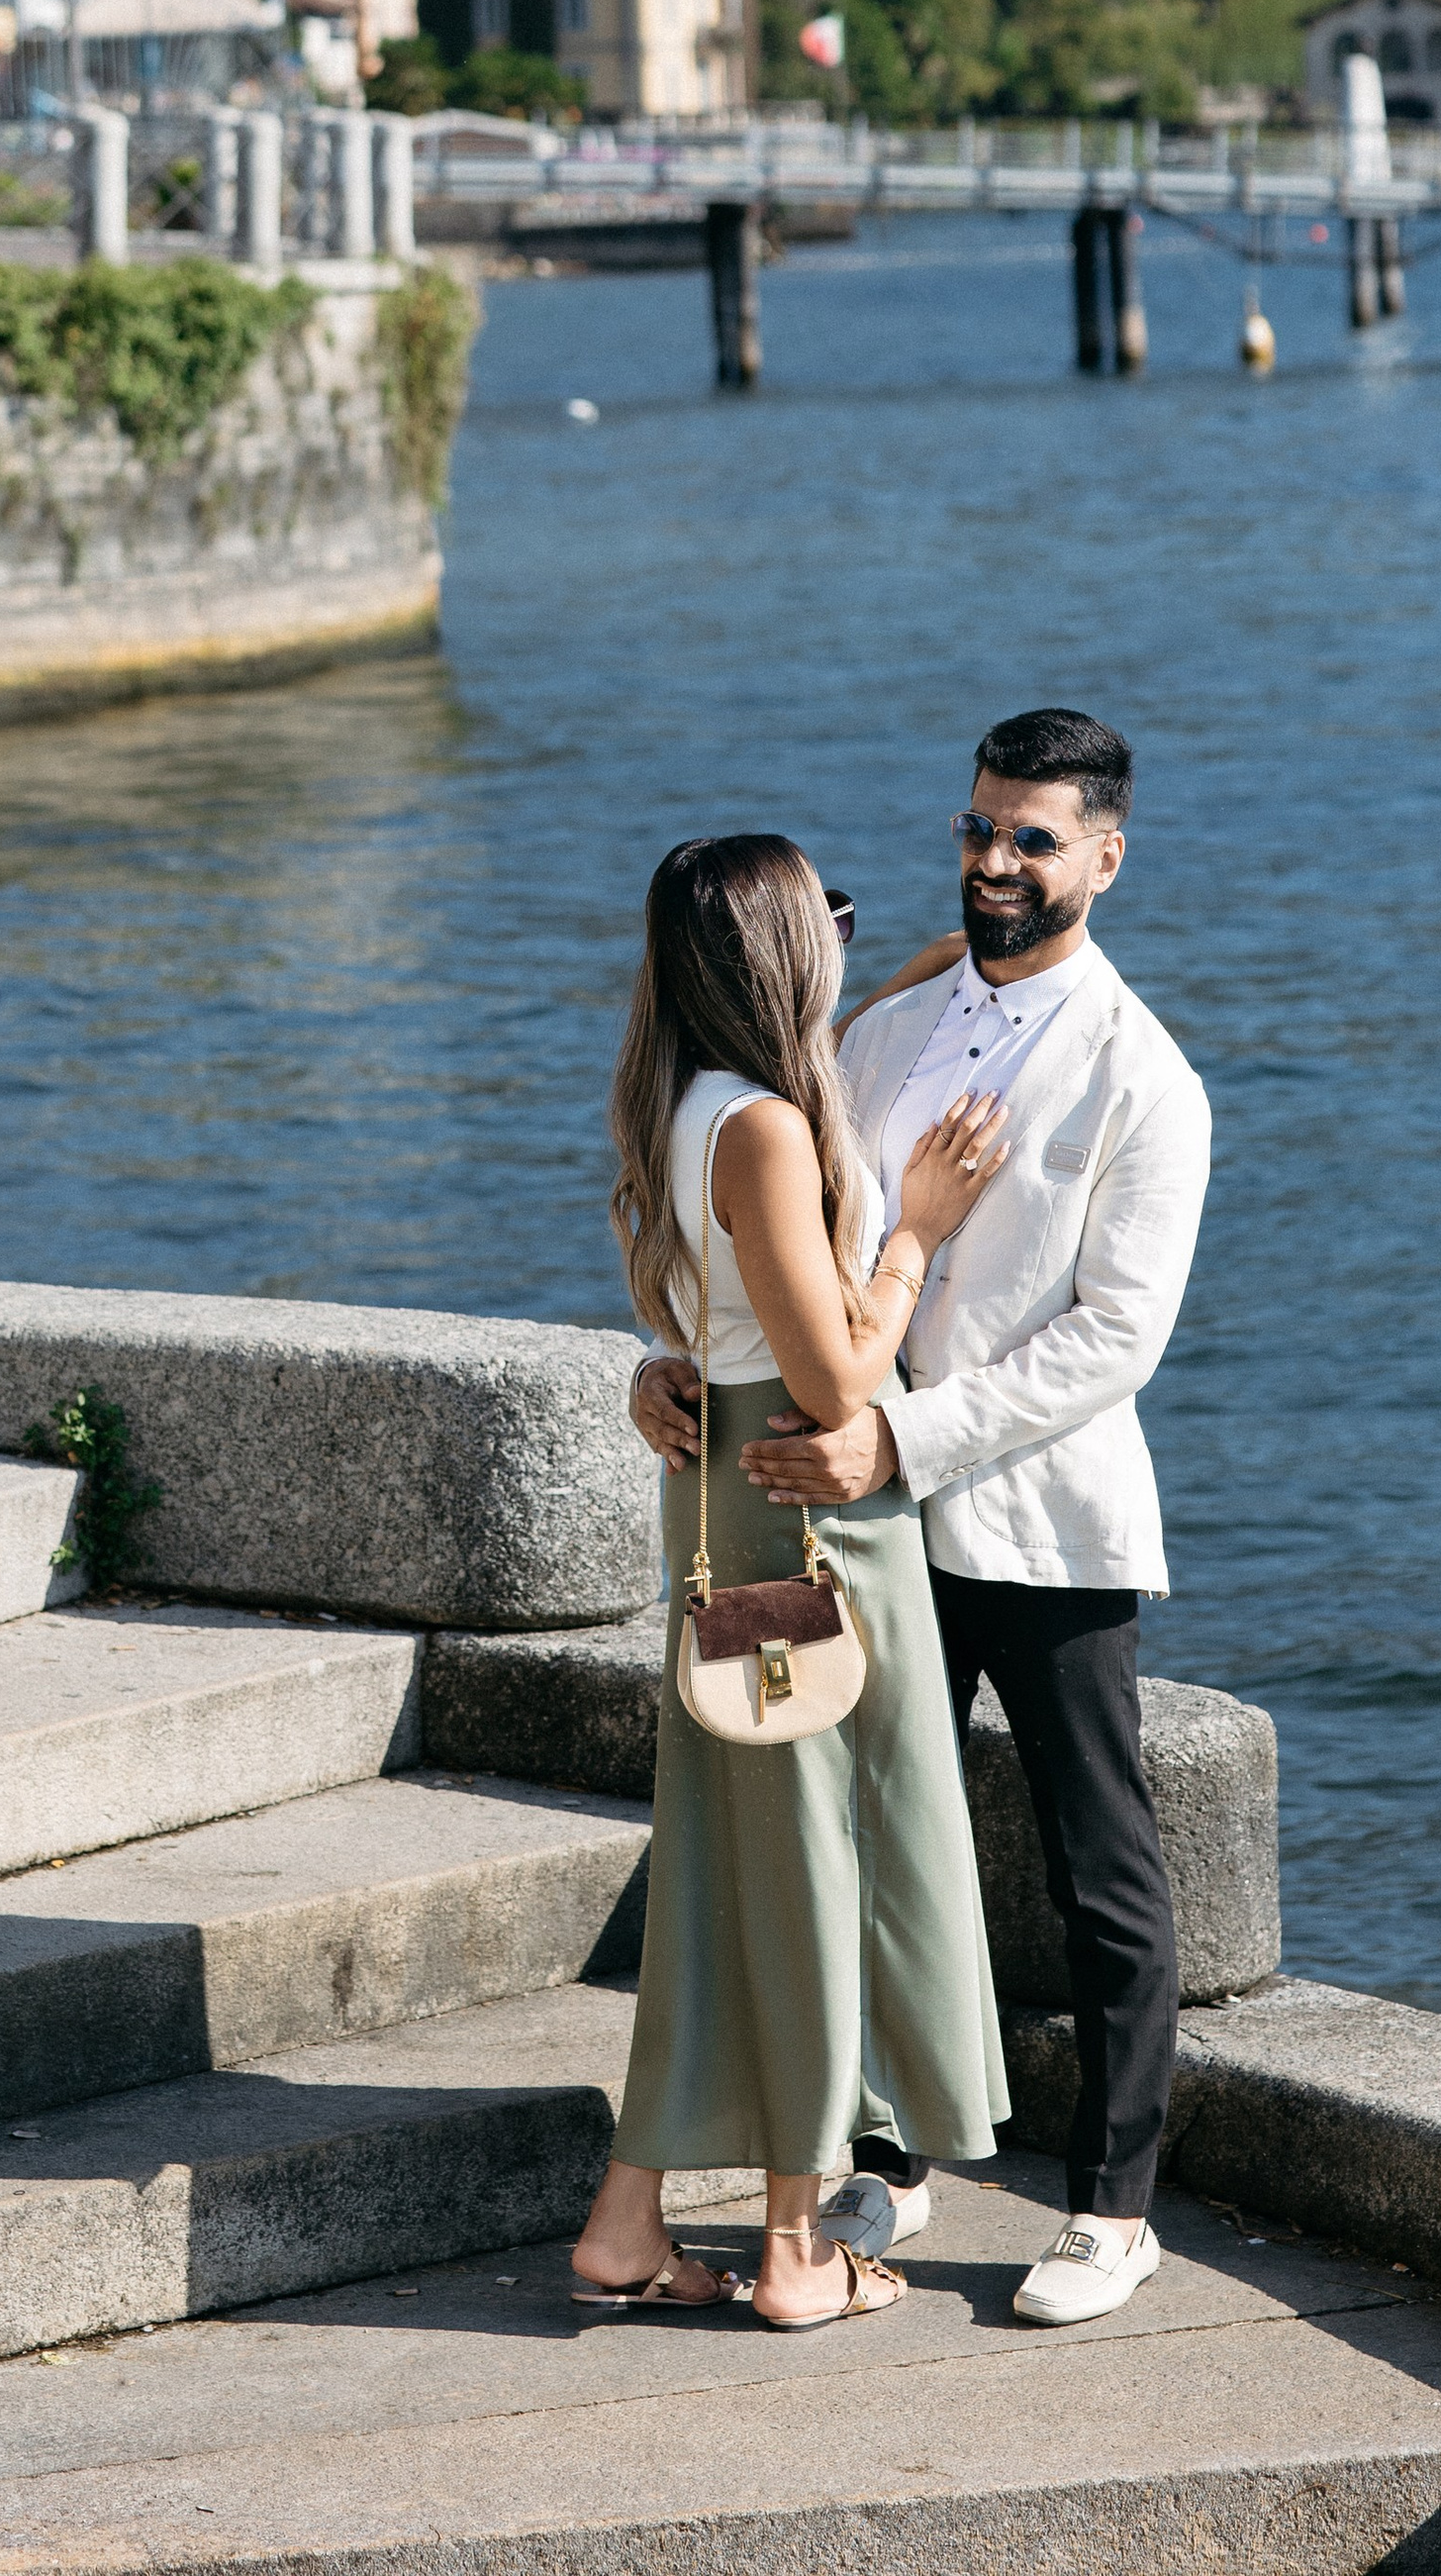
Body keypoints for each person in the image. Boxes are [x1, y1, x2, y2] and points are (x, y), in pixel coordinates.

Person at [631, 710, 1210, 2329]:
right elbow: (773, 1252)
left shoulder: (1144, 1079)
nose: (996, 861)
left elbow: (1116, 1337)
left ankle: (1111, 2207)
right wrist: (670, 1364)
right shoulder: (867, 1041)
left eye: (1034, 837)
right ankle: (883, 2148)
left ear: (1106, 856)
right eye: (978, 829)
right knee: (860, 1843)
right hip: (856, 1527)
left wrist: (901, 1435)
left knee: (1102, 1864)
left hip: (1027, 1518)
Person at [573, 833, 1012, 2329]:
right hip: (803, 1518)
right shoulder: (762, 1128)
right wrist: (913, 1239)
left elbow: (714, 1304)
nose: (850, 932)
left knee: (732, 1872)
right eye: (831, 915)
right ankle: (796, 2248)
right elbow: (834, 1386)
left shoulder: (690, 1096)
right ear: (777, 954)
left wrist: (926, 971)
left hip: (718, 1499)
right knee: (823, 1866)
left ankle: (630, 2222)